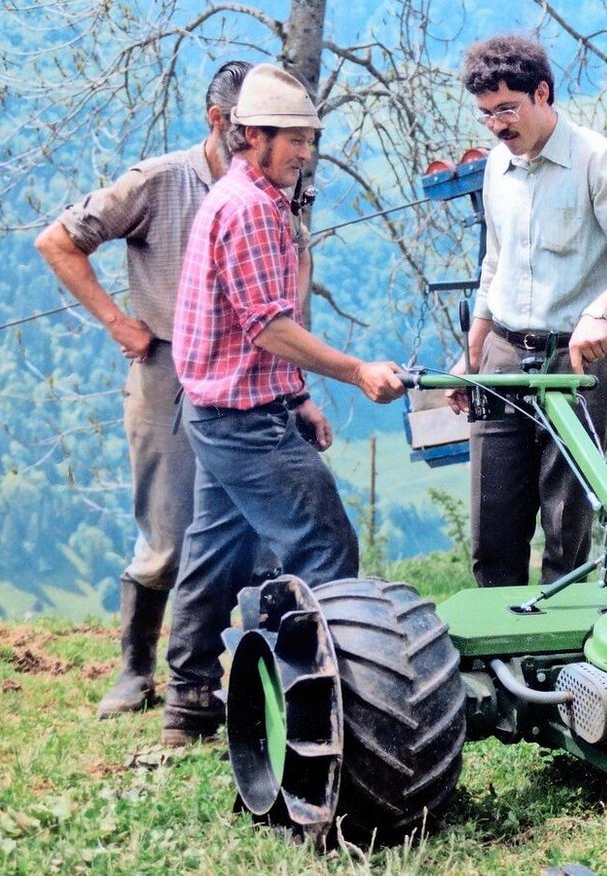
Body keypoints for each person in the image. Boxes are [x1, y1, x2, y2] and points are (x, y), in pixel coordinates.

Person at [163, 63, 407, 746]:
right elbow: (267, 326)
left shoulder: (252, 198)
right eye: (292, 139)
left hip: (222, 407)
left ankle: (189, 704)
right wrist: (356, 370)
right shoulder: (247, 210)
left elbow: (254, 332)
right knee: (325, 544)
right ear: (251, 135)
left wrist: (296, 396)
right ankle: (325, 708)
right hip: (239, 421)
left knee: (215, 552)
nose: (304, 152)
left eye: (309, 139)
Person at [34, 60, 254, 719]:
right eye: (250, 127)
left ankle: (230, 674)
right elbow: (58, 240)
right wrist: (116, 322)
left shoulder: (271, 184)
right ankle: (135, 672)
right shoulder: (159, 180)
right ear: (217, 122)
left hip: (247, 373)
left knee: (254, 531)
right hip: (169, 372)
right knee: (170, 527)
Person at [446, 35, 607, 588]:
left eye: (507, 109)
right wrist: (470, 356)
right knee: (492, 526)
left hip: (579, 359)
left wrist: (599, 312)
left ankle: (557, 664)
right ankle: (501, 661)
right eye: (485, 114)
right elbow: (492, 264)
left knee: (567, 525)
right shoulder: (497, 165)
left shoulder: (596, 160)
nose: (497, 125)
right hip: (502, 355)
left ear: (541, 93)